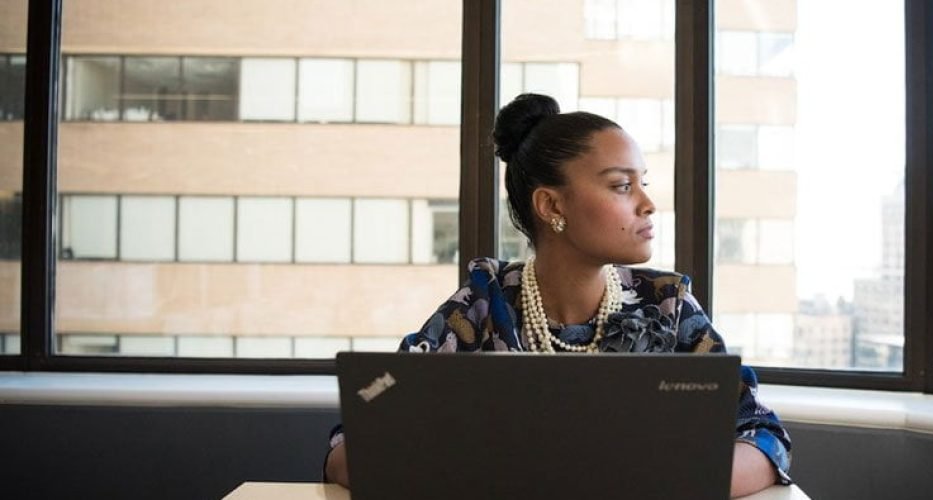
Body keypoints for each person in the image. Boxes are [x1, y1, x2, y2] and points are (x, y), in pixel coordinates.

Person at [324, 93, 792, 497]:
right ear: (551, 206)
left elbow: (764, 436)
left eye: (642, 183)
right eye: (621, 185)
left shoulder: (667, 304)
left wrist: (661, 483)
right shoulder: (484, 304)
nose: (648, 204)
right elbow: (353, 445)